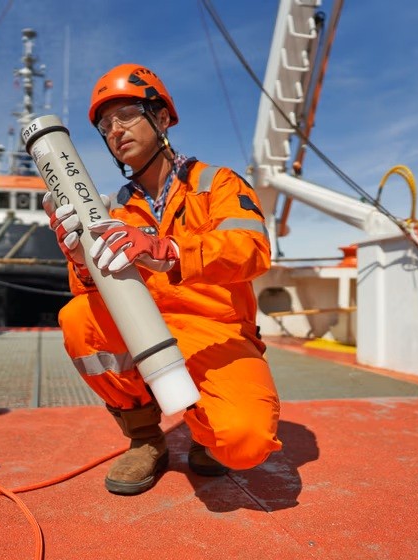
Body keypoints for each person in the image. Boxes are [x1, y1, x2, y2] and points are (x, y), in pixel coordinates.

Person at [43, 63, 281, 495]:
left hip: (216, 333)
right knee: (78, 317)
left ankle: (207, 427)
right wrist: (80, 262)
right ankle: (146, 438)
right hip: (146, 327)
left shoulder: (216, 184)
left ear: (163, 117)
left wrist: (170, 252)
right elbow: (91, 294)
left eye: (128, 114)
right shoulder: (110, 209)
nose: (115, 130)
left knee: (243, 443)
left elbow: (253, 249)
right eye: (105, 124)